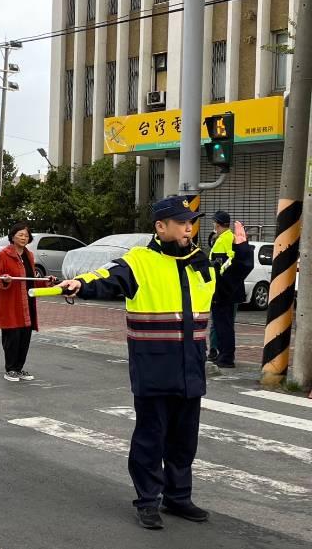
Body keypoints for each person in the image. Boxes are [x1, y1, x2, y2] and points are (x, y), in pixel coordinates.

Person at [59, 197, 253, 530]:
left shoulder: (199, 261)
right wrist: (81, 284)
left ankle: (178, 498)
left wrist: (244, 254)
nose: (188, 228)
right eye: (181, 222)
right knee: (151, 439)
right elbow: (108, 277)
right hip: (153, 367)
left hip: (190, 369)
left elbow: (226, 288)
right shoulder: (140, 261)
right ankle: (148, 500)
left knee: (183, 440)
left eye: (191, 222)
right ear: (160, 227)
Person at [0, 223, 54, 382]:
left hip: (27, 301)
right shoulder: (3, 254)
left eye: (26, 236)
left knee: (24, 337)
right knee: (12, 337)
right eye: (20, 235)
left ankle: (19, 368)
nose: (23, 238)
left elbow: (32, 279)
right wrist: (4, 280)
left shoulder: (29, 255)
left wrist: (47, 281)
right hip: (11, 302)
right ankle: (10, 369)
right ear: (12, 236)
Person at [208, 210, 244, 368]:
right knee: (221, 324)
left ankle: (226, 357)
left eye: (214, 222)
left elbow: (231, 259)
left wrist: (220, 271)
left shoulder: (227, 238)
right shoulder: (224, 237)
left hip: (225, 290)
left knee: (224, 325)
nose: (213, 225)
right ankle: (222, 354)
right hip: (225, 289)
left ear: (217, 223)